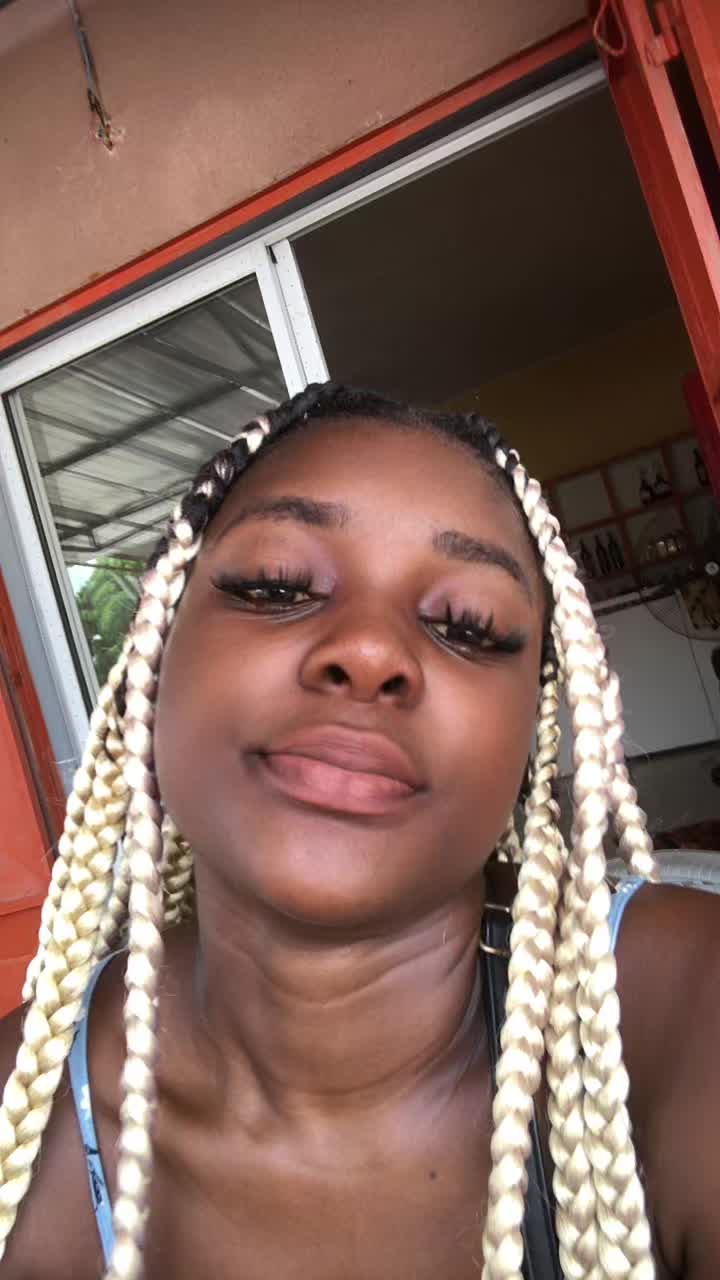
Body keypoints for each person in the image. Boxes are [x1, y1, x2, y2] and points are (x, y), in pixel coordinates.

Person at [1, 382, 719, 1280]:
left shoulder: (684, 1011)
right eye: (276, 584)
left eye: (468, 627)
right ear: (155, 654)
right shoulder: (21, 1115)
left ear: (528, 738)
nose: (371, 652)